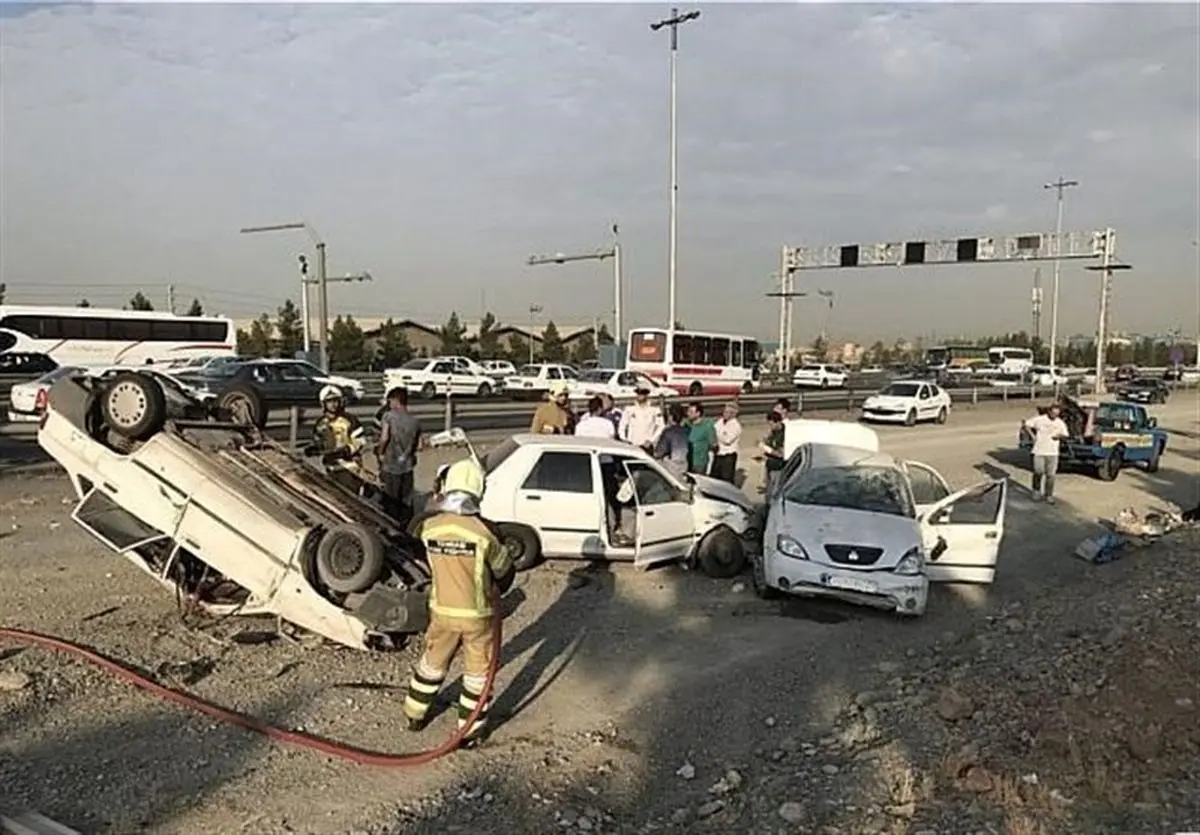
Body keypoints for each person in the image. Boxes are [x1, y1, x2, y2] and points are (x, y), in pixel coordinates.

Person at [403, 459, 515, 749]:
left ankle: (414, 714)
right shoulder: (483, 532)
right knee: (478, 673)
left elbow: (412, 532)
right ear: (478, 490)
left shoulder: (430, 528)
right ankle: (469, 730)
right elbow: (505, 574)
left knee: (432, 663)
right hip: (477, 615)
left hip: (441, 611)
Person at [376, 387, 421, 526]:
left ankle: (390, 528)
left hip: (391, 465)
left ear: (395, 400)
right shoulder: (415, 421)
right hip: (407, 467)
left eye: (390, 401)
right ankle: (406, 527)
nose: (389, 404)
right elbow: (420, 445)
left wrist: (380, 453)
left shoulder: (388, 416)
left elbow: (384, 438)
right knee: (406, 500)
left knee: (390, 500)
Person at [1022, 401, 1070, 503]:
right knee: (1038, 472)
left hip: (1053, 452)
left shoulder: (1060, 423)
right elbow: (1026, 424)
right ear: (1049, 411)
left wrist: (1059, 436)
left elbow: (1065, 434)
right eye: (1053, 413)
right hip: (1039, 450)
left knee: (1051, 475)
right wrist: (1032, 436)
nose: (1054, 416)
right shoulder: (1040, 419)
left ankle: (1049, 495)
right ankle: (1036, 491)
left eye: (1057, 414)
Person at [306, 385, 365, 464]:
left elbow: (360, 441)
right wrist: (313, 448)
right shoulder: (321, 423)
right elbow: (318, 441)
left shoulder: (350, 419)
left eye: (335, 401)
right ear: (323, 404)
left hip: (350, 463)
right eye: (329, 401)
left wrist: (348, 449)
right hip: (329, 463)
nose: (333, 404)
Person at [618, 386, 664, 452]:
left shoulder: (654, 410)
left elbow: (661, 426)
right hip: (632, 445)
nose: (640, 395)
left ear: (647, 395)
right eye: (638, 393)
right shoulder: (629, 409)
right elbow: (622, 425)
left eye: (643, 393)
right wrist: (624, 439)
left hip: (646, 445)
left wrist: (651, 440)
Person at [654, 403, 691, 479]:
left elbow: (658, 453)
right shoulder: (687, 430)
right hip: (684, 466)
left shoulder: (668, 432)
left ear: (671, 417)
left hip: (671, 467)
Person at [710, 402, 742, 483]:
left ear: (733, 414)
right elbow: (713, 430)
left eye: (727, 412)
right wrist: (721, 433)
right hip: (718, 454)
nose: (725, 414)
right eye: (724, 411)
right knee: (714, 477)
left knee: (726, 479)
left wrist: (719, 434)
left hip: (728, 456)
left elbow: (727, 440)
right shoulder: (720, 421)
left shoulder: (736, 426)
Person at [685, 401, 717, 474]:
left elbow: (713, 444)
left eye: (691, 412)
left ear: (698, 413)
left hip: (700, 463)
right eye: (688, 411)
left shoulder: (707, 426)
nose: (688, 414)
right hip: (688, 461)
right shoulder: (686, 425)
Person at [760, 410, 786, 499]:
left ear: (778, 422)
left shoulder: (783, 435)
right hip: (769, 465)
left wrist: (767, 449)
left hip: (777, 467)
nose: (770, 427)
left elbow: (781, 454)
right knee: (768, 490)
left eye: (771, 424)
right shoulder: (773, 433)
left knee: (775, 491)